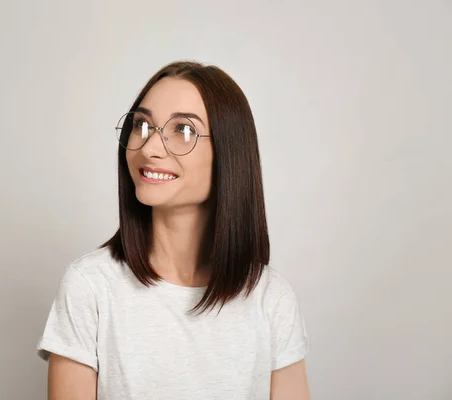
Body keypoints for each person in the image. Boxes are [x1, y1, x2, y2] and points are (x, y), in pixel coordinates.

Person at [37, 61, 311, 399]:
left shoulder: (271, 299)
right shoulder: (90, 287)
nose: (149, 148)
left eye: (183, 130)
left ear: (229, 154)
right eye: (142, 125)